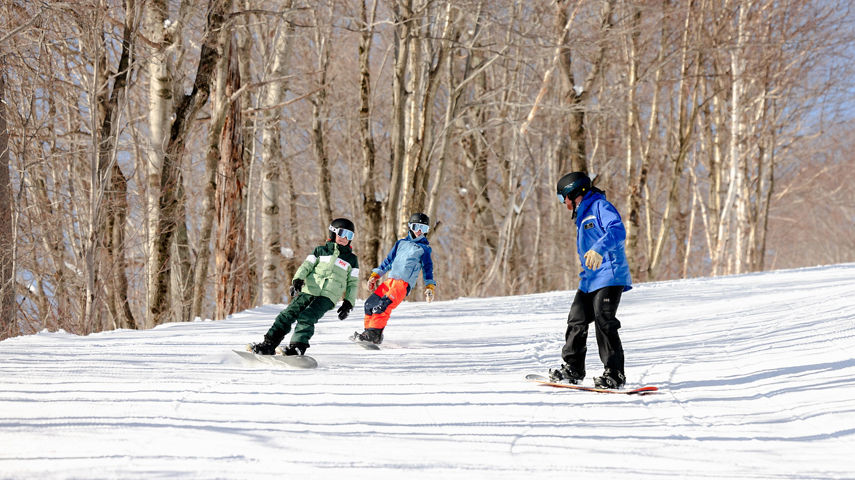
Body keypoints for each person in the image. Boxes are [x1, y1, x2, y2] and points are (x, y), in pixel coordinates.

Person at [549, 172, 632, 388]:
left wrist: (598, 249)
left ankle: (615, 373)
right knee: (576, 320)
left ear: (574, 192)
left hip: (610, 275)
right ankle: (574, 368)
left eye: (563, 197)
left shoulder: (599, 207)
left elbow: (617, 230)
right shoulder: (582, 216)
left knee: (604, 320)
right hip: (590, 279)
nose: (563, 203)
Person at [250, 218, 359, 356]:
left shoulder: (352, 260)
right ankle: (269, 344)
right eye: (342, 233)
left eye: (349, 235)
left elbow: (353, 283)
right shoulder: (320, 251)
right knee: (287, 314)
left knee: (307, 316)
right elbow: (306, 266)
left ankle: (297, 347)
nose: (345, 238)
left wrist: (348, 302)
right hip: (309, 289)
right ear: (333, 233)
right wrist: (298, 279)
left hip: (328, 296)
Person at [352, 213, 436, 345]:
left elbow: (427, 269)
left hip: (402, 285)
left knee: (382, 306)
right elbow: (388, 261)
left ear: (427, 230)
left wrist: (429, 286)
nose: (419, 231)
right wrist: (375, 275)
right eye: (416, 227)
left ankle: (373, 335)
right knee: (369, 304)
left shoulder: (424, 249)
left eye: (423, 228)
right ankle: (368, 333)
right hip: (390, 281)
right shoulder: (400, 243)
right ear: (410, 227)